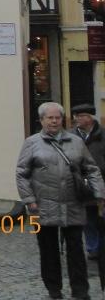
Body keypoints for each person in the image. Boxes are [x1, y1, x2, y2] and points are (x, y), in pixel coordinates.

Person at [17, 101, 105, 300]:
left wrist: (99, 194)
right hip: (43, 205)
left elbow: (91, 169)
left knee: (76, 250)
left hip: (73, 203)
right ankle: (54, 289)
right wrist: (29, 199)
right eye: (50, 118)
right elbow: (22, 174)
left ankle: (80, 291)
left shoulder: (76, 142)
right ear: (41, 120)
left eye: (57, 117)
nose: (54, 121)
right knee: (48, 250)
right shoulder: (32, 143)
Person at [73, 103, 105, 259]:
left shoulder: (103, 135)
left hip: (101, 182)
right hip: (80, 184)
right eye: (76, 116)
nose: (77, 119)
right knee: (87, 218)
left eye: (80, 116)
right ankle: (93, 248)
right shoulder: (71, 136)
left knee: (101, 217)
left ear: (90, 118)